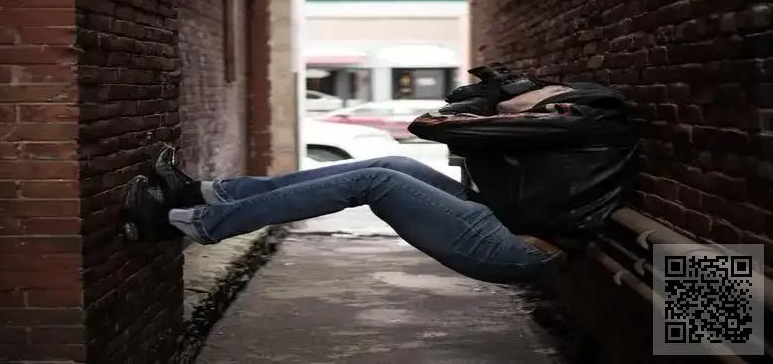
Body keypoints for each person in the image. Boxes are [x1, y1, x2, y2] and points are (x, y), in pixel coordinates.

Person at [122, 147, 566, 286]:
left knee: (376, 181)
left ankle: (190, 222)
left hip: (520, 249)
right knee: (394, 164)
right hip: (505, 219)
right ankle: (203, 193)